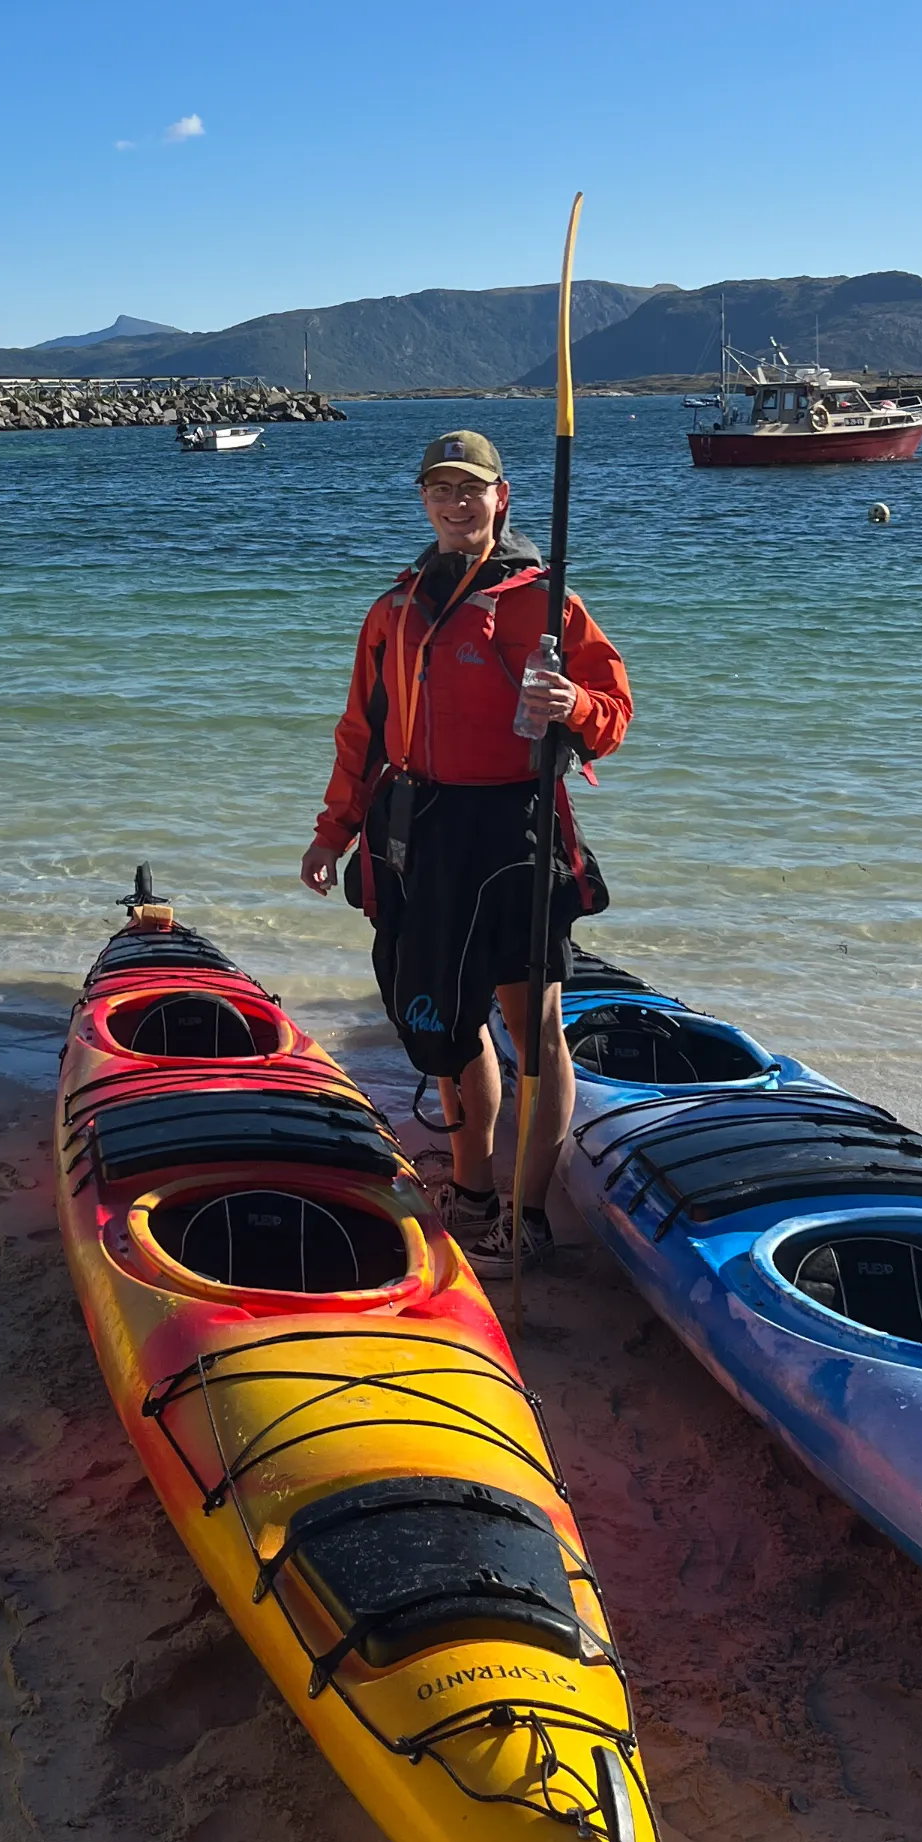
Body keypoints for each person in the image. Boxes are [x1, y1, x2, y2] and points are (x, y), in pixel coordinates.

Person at [300, 427, 631, 1274]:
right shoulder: (395, 608)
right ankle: (474, 1188)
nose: (454, 504)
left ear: (500, 498)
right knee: (446, 1023)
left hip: (518, 827)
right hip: (422, 829)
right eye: (438, 491)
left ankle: (528, 1210)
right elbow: (360, 735)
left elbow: (616, 713)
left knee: (537, 1025)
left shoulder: (543, 599)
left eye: (469, 489)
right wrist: (332, 831)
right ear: (424, 502)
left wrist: (575, 707)